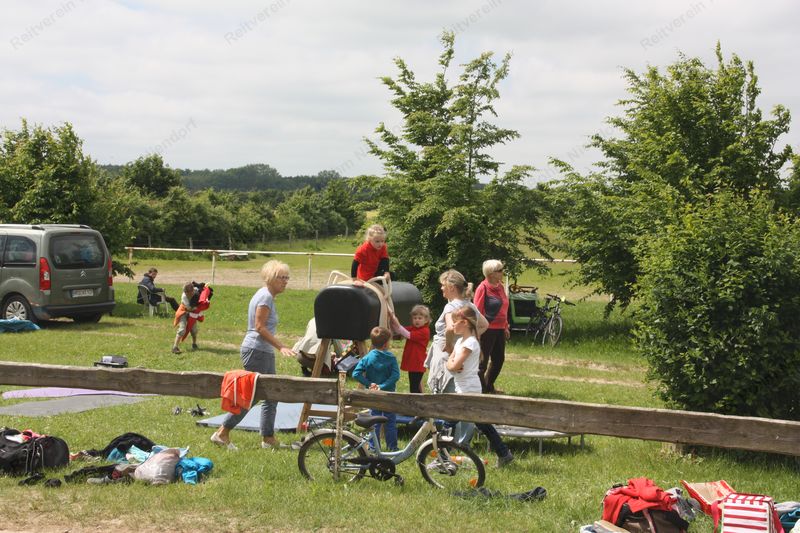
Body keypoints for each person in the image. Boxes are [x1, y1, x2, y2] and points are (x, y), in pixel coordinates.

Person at [210, 261, 297, 450]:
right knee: (252, 395)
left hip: (263, 351)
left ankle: (268, 438)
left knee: (271, 395)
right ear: (270, 278)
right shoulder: (265, 297)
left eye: (287, 277)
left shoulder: (266, 295)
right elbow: (259, 327)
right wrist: (281, 346)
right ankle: (222, 433)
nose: (285, 281)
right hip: (257, 351)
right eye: (281, 277)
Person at [446, 305, 514, 467]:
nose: (452, 325)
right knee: (482, 423)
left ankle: (441, 456)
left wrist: (452, 364)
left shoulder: (470, 343)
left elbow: (453, 365)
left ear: (464, 323)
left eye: (455, 322)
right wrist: (452, 364)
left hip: (468, 390)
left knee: (449, 421)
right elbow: (450, 363)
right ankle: (504, 453)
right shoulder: (460, 341)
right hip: (463, 388)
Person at [424, 269, 488, 394]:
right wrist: (467, 338)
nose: (441, 288)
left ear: (451, 287)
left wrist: (449, 346)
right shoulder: (470, 305)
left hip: (446, 355)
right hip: (460, 354)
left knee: (445, 393)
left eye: (443, 285)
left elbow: (449, 328)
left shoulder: (451, 306)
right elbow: (485, 325)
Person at [352, 326, 400, 451]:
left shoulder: (368, 357)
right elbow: (395, 376)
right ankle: (392, 448)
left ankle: (373, 447)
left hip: (373, 394)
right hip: (388, 394)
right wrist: (382, 386)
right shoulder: (391, 358)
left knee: (374, 421)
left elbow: (355, 374)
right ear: (385, 344)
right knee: (390, 422)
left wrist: (369, 384)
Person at [474, 259, 510, 394]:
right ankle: (481, 390)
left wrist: (505, 326)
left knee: (499, 359)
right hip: (486, 330)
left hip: (500, 329)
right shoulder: (482, 288)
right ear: (491, 273)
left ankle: (489, 386)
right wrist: (477, 332)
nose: (502, 272)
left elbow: (504, 308)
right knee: (482, 363)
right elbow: (477, 311)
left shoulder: (500, 287)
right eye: (499, 270)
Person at [389, 305, 431, 394]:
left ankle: (414, 401)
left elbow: (407, 334)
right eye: (415, 318)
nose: (417, 320)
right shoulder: (413, 328)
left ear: (426, 320)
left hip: (418, 362)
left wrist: (396, 321)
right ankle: (418, 400)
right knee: (415, 385)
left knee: (414, 387)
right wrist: (392, 321)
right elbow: (399, 331)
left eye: (420, 318)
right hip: (413, 362)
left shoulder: (424, 331)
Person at [172, 282, 199, 354]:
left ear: (192, 291)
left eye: (188, 292)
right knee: (182, 329)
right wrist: (197, 307)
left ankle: (194, 344)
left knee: (194, 330)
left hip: (193, 313)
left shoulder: (196, 291)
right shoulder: (184, 296)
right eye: (185, 292)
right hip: (183, 312)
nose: (186, 294)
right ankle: (175, 347)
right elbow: (189, 308)